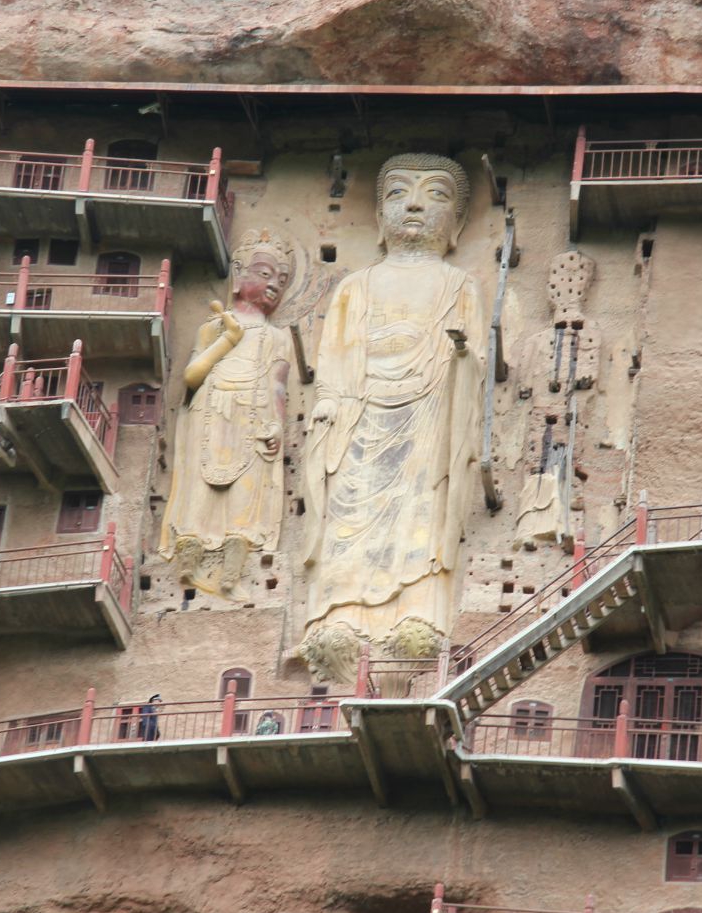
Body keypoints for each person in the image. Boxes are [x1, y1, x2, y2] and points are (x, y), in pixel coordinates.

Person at [298, 154, 485, 684]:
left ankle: (418, 615)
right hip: (359, 414)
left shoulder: (460, 285)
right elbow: (334, 358)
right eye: (399, 193)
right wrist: (332, 407)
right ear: (379, 217)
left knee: (422, 512)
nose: (416, 205)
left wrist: (463, 358)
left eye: (437, 196)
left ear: (460, 224)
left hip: (430, 410)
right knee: (347, 516)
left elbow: (477, 358)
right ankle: (340, 619)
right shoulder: (356, 285)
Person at [158, 229, 295, 600]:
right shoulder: (212, 327)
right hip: (209, 413)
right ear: (238, 275)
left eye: (281, 281)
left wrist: (276, 426)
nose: (273, 286)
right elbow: (191, 377)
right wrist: (228, 340)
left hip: (253, 417)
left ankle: (234, 569)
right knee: (199, 491)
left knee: (245, 499)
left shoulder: (278, 337)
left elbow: (278, 386)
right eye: (264, 274)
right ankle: (190, 559)